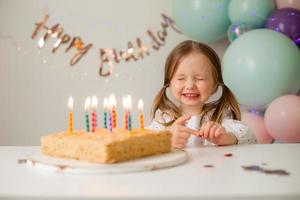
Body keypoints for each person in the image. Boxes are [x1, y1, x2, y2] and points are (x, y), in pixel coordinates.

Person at [147, 40, 256, 149]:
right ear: (169, 83)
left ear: (214, 85)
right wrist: (165, 140)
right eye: (181, 78)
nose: (190, 86)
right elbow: (142, 145)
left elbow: (251, 138)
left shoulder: (220, 117)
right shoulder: (164, 120)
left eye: (200, 79)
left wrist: (227, 138)